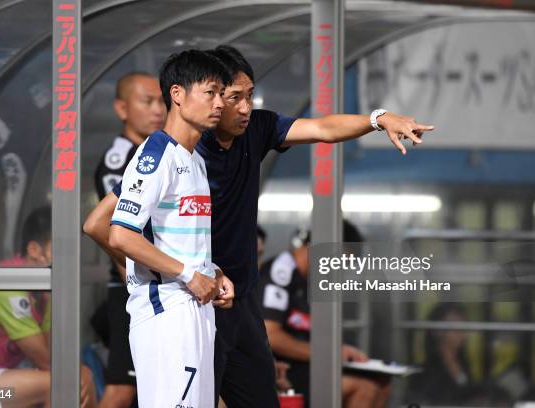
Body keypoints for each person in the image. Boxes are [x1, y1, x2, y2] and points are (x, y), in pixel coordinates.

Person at [83, 45, 433, 407]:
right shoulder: (171, 151)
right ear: (185, 96)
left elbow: (323, 128)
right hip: (185, 301)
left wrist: (379, 118)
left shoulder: (237, 138)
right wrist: (159, 275)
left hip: (233, 295)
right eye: (226, 95)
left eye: (244, 95)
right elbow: (103, 224)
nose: (239, 106)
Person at [106, 49, 234, 407]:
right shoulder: (157, 152)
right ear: (177, 94)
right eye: (210, 92)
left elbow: (184, 244)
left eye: (222, 93)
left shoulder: (194, 159)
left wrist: (213, 273)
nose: (220, 102)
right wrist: (188, 274)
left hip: (195, 308)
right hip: (168, 312)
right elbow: (120, 233)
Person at [0, 207, 96, 408]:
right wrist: (81, 372)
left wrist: (81, 372)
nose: (68, 256)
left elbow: (54, 352)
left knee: (72, 381)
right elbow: (46, 362)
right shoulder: (9, 282)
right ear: (34, 250)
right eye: (59, 248)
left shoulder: (42, 289)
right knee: (58, 384)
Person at [93, 71, 166, 408]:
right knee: (122, 389)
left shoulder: (158, 153)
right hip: (132, 288)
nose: (158, 110)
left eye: (162, 102)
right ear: (122, 109)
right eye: (147, 101)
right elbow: (109, 228)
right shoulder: (120, 158)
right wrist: (132, 277)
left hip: (162, 283)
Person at [257, 228, 390, 408]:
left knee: (382, 383)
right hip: (279, 370)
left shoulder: (311, 282)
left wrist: (340, 351)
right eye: (341, 262)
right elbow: (271, 336)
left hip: (305, 365)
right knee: (364, 388)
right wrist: (331, 354)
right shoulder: (280, 273)